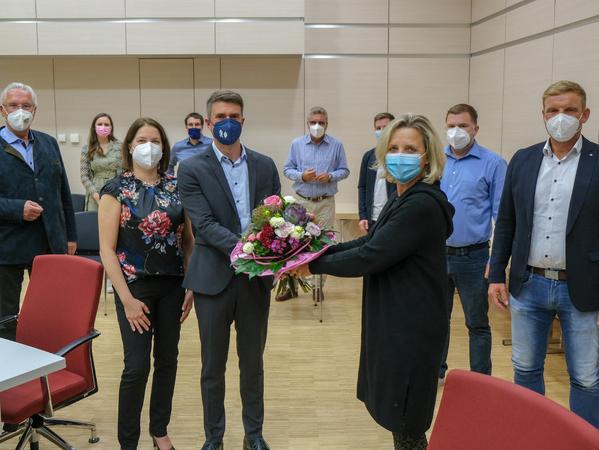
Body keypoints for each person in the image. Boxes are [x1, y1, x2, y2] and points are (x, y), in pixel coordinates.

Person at [295, 114, 454, 450]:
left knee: (408, 421)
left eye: (410, 148)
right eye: (394, 147)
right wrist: (318, 252)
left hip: (413, 323)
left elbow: (371, 256)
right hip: (397, 316)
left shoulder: (421, 204)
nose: (400, 154)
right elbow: (367, 243)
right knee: (400, 416)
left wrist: (313, 267)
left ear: (427, 156)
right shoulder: (402, 197)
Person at [488, 80, 599, 428]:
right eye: (553, 110)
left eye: (569, 110)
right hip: (528, 284)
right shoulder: (523, 160)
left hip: (582, 289)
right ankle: (532, 437)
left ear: (585, 114)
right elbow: (506, 221)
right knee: (525, 369)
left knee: (586, 377)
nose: (560, 117)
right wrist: (495, 275)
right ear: (543, 115)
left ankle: (583, 441)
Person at [178, 90, 281, 450]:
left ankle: (254, 435)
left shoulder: (266, 165)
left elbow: (275, 219)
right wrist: (246, 248)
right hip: (212, 280)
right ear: (208, 123)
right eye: (220, 116)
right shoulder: (191, 168)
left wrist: (268, 251)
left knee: (252, 365)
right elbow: (202, 224)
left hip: (255, 281)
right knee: (212, 368)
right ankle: (214, 437)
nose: (227, 122)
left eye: (234, 116)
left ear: (243, 120)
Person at [98, 117, 194, 450]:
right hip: (134, 288)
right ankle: (128, 441)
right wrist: (124, 299)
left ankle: (159, 429)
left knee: (168, 360)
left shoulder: (177, 186)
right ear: (129, 147)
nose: (148, 146)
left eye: (155, 140)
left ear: (165, 148)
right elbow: (106, 250)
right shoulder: (115, 189)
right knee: (136, 367)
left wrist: (192, 285)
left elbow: (190, 242)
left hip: (173, 286)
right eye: (141, 140)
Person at [0, 81, 77, 341]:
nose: (20, 110)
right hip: (7, 246)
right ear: (2, 110)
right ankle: (10, 373)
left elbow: (63, 193)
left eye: (26, 106)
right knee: (5, 317)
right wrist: (15, 208)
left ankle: (48, 365)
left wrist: (70, 236)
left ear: (35, 110)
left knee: (51, 312)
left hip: (49, 242)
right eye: (13, 105)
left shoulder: (48, 143)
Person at [438, 104, 507, 381]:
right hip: (436, 255)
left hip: (474, 257)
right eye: (451, 125)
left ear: (475, 129)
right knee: (436, 319)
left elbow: (502, 216)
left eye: (463, 126)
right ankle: (435, 371)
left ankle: (481, 380)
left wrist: (497, 261)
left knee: (477, 323)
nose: (456, 131)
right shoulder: (435, 161)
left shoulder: (493, 163)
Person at [279, 106, 350, 301]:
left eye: (321, 122)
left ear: (327, 124)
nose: (317, 126)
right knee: (294, 243)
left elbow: (344, 170)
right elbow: (287, 169)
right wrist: (302, 176)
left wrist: (331, 176)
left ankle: (318, 287)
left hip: (325, 202)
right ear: (307, 123)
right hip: (302, 200)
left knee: (323, 245)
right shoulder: (297, 144)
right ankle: (291, 286)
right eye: (313, 122)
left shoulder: (336, 145)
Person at [358, 112, 396, 233]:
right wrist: (363, 215)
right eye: (378, 128)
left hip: (393, 217)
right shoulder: (368, 156)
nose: (381, 131)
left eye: (385, 127)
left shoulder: (399, 157)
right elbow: (362, 187)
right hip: (373, 218)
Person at [80, 112, 122, 211]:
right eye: (99, 124)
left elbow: (123, 173)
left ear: (111, 128)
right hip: (95, 192)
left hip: (115, 190)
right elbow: (84, 176)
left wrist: (117, 190)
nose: (103, 127)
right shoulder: (87, 149)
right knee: (94, 224)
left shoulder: (120, 147)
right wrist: (95, 195)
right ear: (94, 127)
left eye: (106, 124)